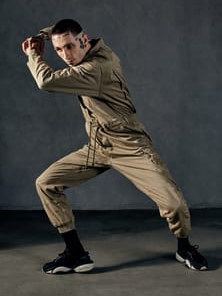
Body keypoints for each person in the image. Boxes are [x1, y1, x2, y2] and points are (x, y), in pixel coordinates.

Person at [22, 19, 208, 274]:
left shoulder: (97, 68)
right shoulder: (97, 48)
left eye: (69, 47)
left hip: (130, 146)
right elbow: (62, 30)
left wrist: (33, 53)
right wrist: (44, 35)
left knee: (174, 204)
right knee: (46, 184)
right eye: (59, 49)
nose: (65, 55)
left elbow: (46, 81)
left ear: (84, 41)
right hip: (98, 146)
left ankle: (185, 247)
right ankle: (75, 253)